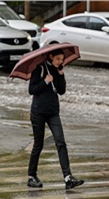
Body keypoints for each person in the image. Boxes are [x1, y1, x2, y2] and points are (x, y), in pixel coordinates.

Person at [27, 48, 84, 190]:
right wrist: (45, 81)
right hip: (38, 112)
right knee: (38, 145)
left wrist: (60, 74)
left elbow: (61, 90)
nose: (60, 62)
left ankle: (68, 177)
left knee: (61, 142)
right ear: (50, 56)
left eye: (62, 59)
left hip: (53, 112)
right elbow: (32, 89)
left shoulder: (57, 70)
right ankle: (31, 176)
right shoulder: (39, 69)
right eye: (58, 59)